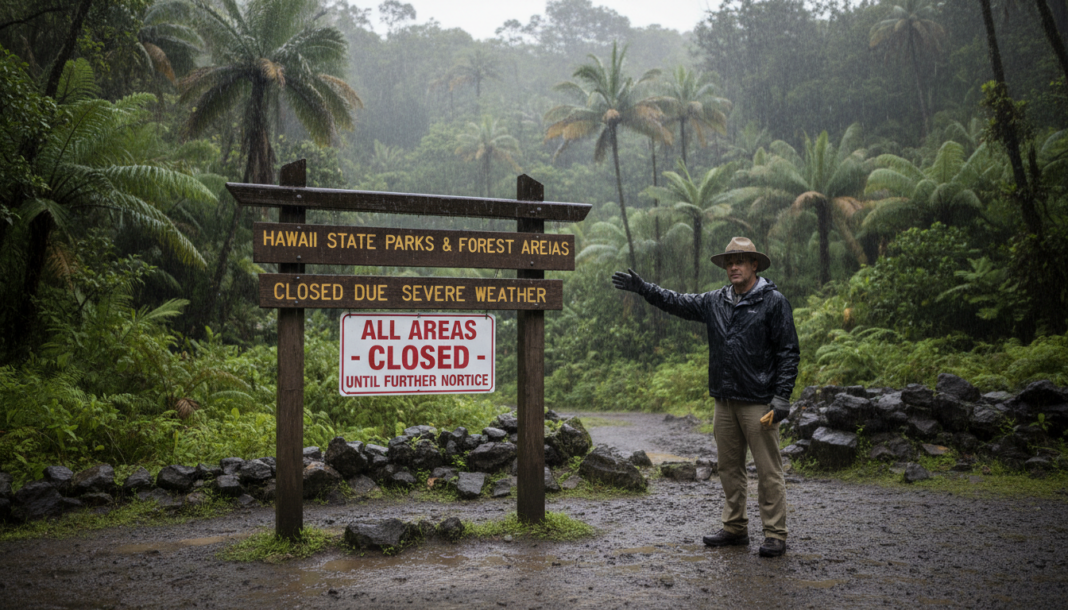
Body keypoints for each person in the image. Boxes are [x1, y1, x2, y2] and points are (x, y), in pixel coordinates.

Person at [611, 236, 800, 558]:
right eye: (729, 262)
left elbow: (788, 351)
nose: (734, 267)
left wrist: (781, 398)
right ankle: (735, 527)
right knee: (729, 468)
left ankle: (775, 533)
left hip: (758, 401)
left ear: (754, 265)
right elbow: (677, 301)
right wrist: (644, 289)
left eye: (740, 261)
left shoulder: (773, 302)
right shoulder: (716, 301)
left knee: (768, 470)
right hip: (724, 400)